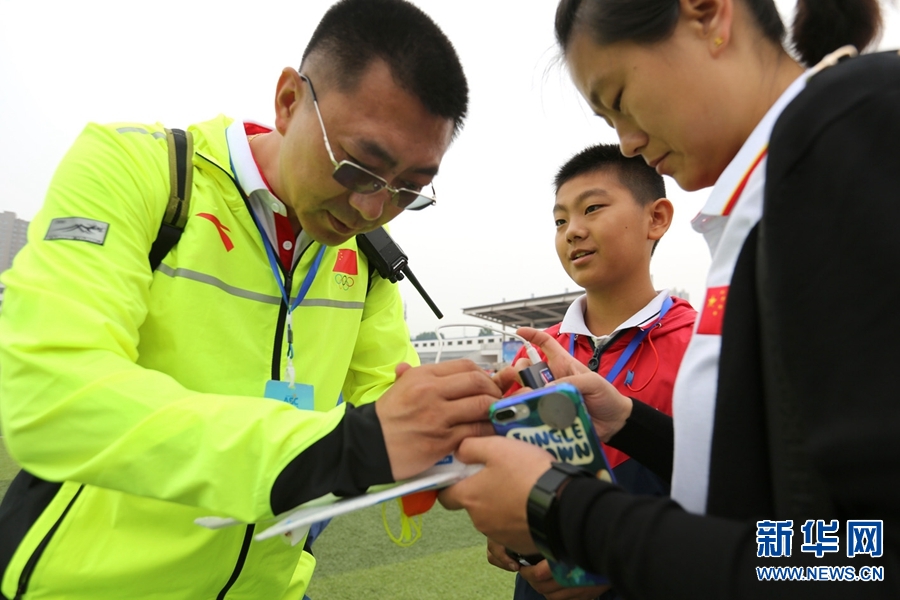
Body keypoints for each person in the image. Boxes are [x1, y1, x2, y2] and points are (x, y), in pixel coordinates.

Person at [0, 1, 500, 599]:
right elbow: (55, 394)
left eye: (408, 191)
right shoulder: (136, 169)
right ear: (289, 100)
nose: (372, 209)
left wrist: (475, 427)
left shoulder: (367, 255)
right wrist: (339, 446)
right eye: (358, 167)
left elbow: (387, 396)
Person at [440, 0, 900, 598]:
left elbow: (864, 558)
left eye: (621, 98)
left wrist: (575, 516)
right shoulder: (768, 194)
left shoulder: (853, 137)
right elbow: (788, 509)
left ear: (707, 15)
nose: (628, 143)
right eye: (607, 122)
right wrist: (630, 422)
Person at [488, 144, 696, 600]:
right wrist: (508, 532)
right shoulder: (536, 355)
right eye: (560, 220)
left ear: (656, 218)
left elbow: (732, 500)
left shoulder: (701, 348)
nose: (572, 231)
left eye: (593, 208)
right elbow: (516, 477)